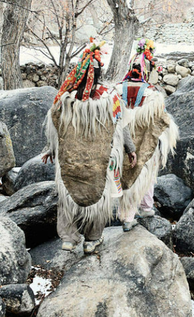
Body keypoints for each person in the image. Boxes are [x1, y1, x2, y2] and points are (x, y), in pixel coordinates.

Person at [42, 39, 138, 254]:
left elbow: (57, 129)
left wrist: (50, 149)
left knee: (68, 192)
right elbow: (121, 125)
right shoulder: (109, 97)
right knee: (100, 197)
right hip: (101, 159)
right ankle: (92, 239)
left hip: (72, 159)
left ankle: (68, 237)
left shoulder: (65, 100)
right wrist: (130, 148)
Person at [114, 39, 178, 232]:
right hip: (145, 140)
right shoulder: (152, 94)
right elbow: (160, 118)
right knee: (146, 172)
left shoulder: (116, 90)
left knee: (125, 174)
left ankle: (128, 213)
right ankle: (141, 210)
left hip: (122, 140)